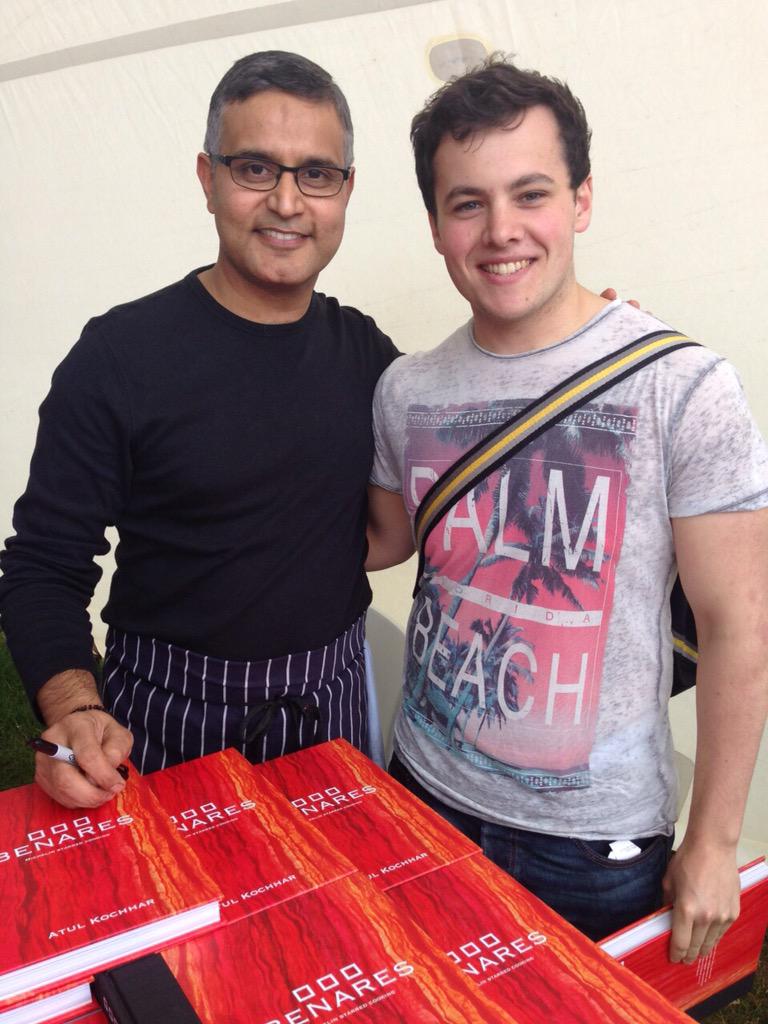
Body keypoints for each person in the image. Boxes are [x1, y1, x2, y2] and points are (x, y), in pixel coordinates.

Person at [366, 56, 768, 964]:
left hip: (589, 846)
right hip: (422, 786)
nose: (501, 230)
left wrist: (711, 842)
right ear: (435, 224)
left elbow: (741, 621)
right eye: (467, 202)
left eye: (531, 193)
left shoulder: (684, 385)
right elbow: (386, 541)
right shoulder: (406, 390)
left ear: (582, 200)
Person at [0, 51, 399, 809]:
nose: (287, 201)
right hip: (165, 721)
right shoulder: (118, 356)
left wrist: (570, 342)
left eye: (316, 174)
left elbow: (472, 435)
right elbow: (44, 565)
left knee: (337, 929)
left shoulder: (369, 355)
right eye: (256, 168)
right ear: (207, 178)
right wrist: (76, 714)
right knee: (182, 932)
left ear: (346, 191)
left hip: (333, 712)